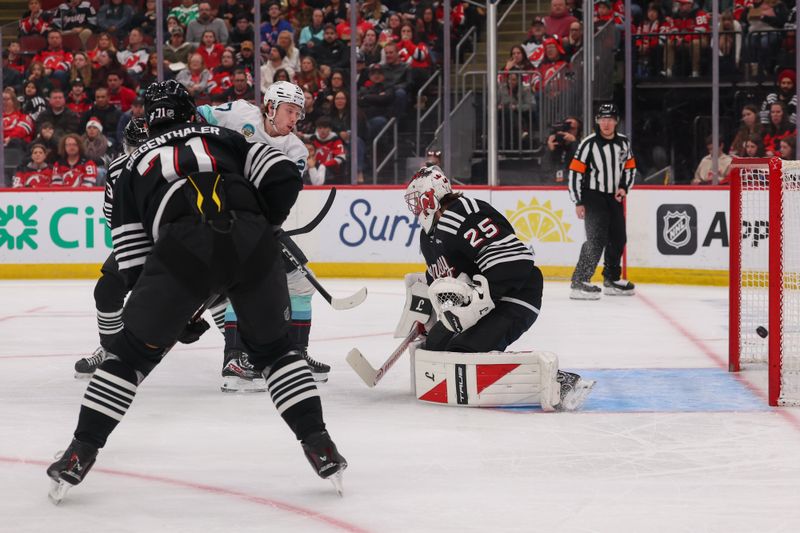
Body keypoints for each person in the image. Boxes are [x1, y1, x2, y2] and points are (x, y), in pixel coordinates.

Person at [48, 80, 347, 503]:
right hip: (253, 248)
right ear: (192, 112)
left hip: (180, 256)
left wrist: (178, 310)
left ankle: (79, 454)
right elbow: (281, 177)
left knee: (129, 359)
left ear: (148, 121)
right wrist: (263, 227)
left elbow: (133, 258)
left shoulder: (126, 167)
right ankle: (320, 444)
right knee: (277, 354)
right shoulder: (225, 137)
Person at [401, 165, 593, 409]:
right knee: (436, 345)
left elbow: (515, 262)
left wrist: (478, 301)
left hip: (516, 295)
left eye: (417, 200)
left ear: (430, 197)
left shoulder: (463, 214)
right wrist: (428, 313)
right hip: (481, 301)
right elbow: (443, 281)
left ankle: (560, 382)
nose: (416, 207)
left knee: (463, 352)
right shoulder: (427, 238)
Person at [196, 81, 331, 388]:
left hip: (255, 221)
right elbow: (198, 115)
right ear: (270, 107)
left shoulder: (295, 150)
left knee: (299, 281)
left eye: (298, 113)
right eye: (289, 111)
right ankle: (236, 358)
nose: (294, 119)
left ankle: (292, 355)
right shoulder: (239, 113)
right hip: (217, 216)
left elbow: (278, 195)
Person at [567, 104, 637, 299]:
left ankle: (611, 278)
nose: (606, 123)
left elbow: (630, 167)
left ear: (616, 121)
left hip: (613, 197)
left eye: (610, 119)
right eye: (602, 119)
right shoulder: (588, 144)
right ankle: (579, 281)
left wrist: (624, 188)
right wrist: (578, 201)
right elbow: (575, 172)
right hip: (592, 196)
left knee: (618, 238)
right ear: (597, 121)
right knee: (596, 239)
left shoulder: (623, 143)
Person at [545, 116, 581, 183]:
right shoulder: (555, 143)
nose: (569, 130)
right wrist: (550, 150)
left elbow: (582, 165)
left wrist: (574, 143)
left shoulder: (582, 145)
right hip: (552, 184)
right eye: (566, 127)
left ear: (578, 131)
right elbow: (544, 169)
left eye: (572, 128)